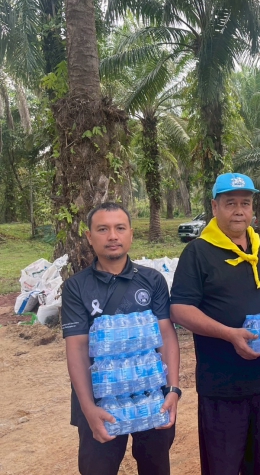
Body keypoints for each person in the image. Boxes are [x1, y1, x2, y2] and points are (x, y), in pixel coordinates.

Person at [170, 173, 260, 475]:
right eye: (231, 203)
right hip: (222, 386)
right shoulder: (197, 252)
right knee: (222, 466)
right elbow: (180, 309)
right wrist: (228, 334)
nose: (239, 210)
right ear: (215, 207)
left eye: (245, 203)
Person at [62, 202, 180, 475]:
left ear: (131, 234)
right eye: (103, 229)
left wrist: (172, 389)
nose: (112, 236)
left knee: (155, 466)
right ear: (89, 236)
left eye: (120, 228)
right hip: (100, 399)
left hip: (150, 394)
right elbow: (77, 347)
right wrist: (88, 408)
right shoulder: (76, 286)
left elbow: (166, 335)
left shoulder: (152, 280)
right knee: (98, 468)